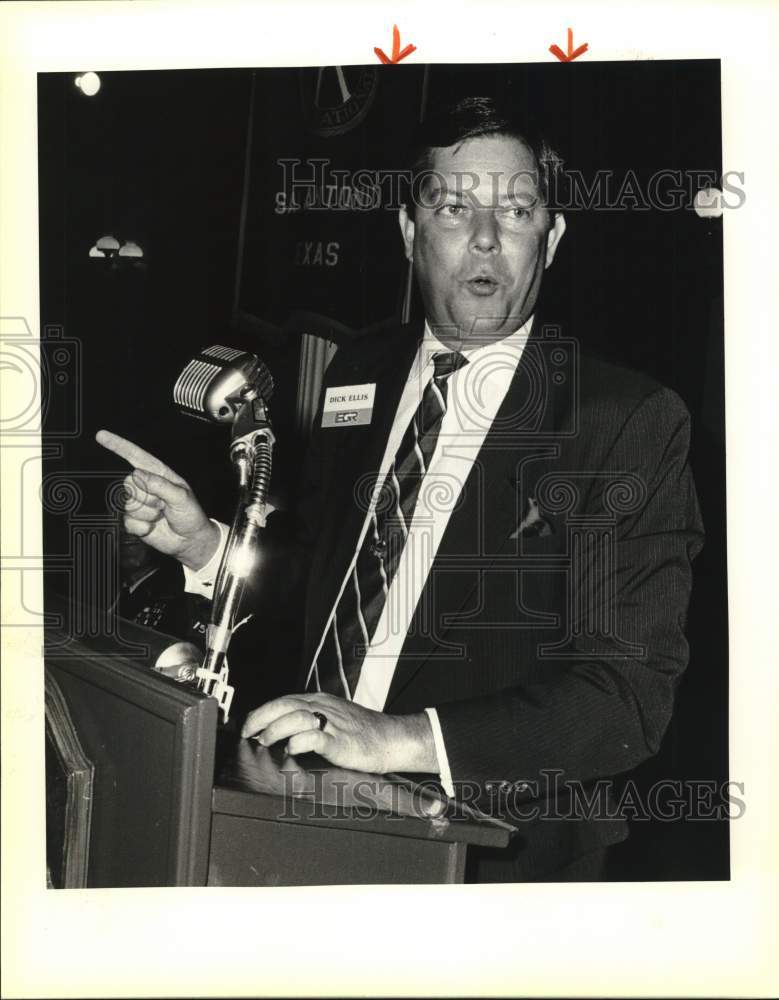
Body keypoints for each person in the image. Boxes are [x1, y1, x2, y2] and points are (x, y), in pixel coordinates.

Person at [96, 97, 704, 882]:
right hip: (295, 799)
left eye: (516, 211)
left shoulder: (621, 419)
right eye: (452, 209)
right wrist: (206, 546)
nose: (484, 237)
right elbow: (326, 582)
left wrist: (400, 738)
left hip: (488, 850)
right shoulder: (361, 370)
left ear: (550, 240)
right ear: (409, 233)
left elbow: (627, 697)